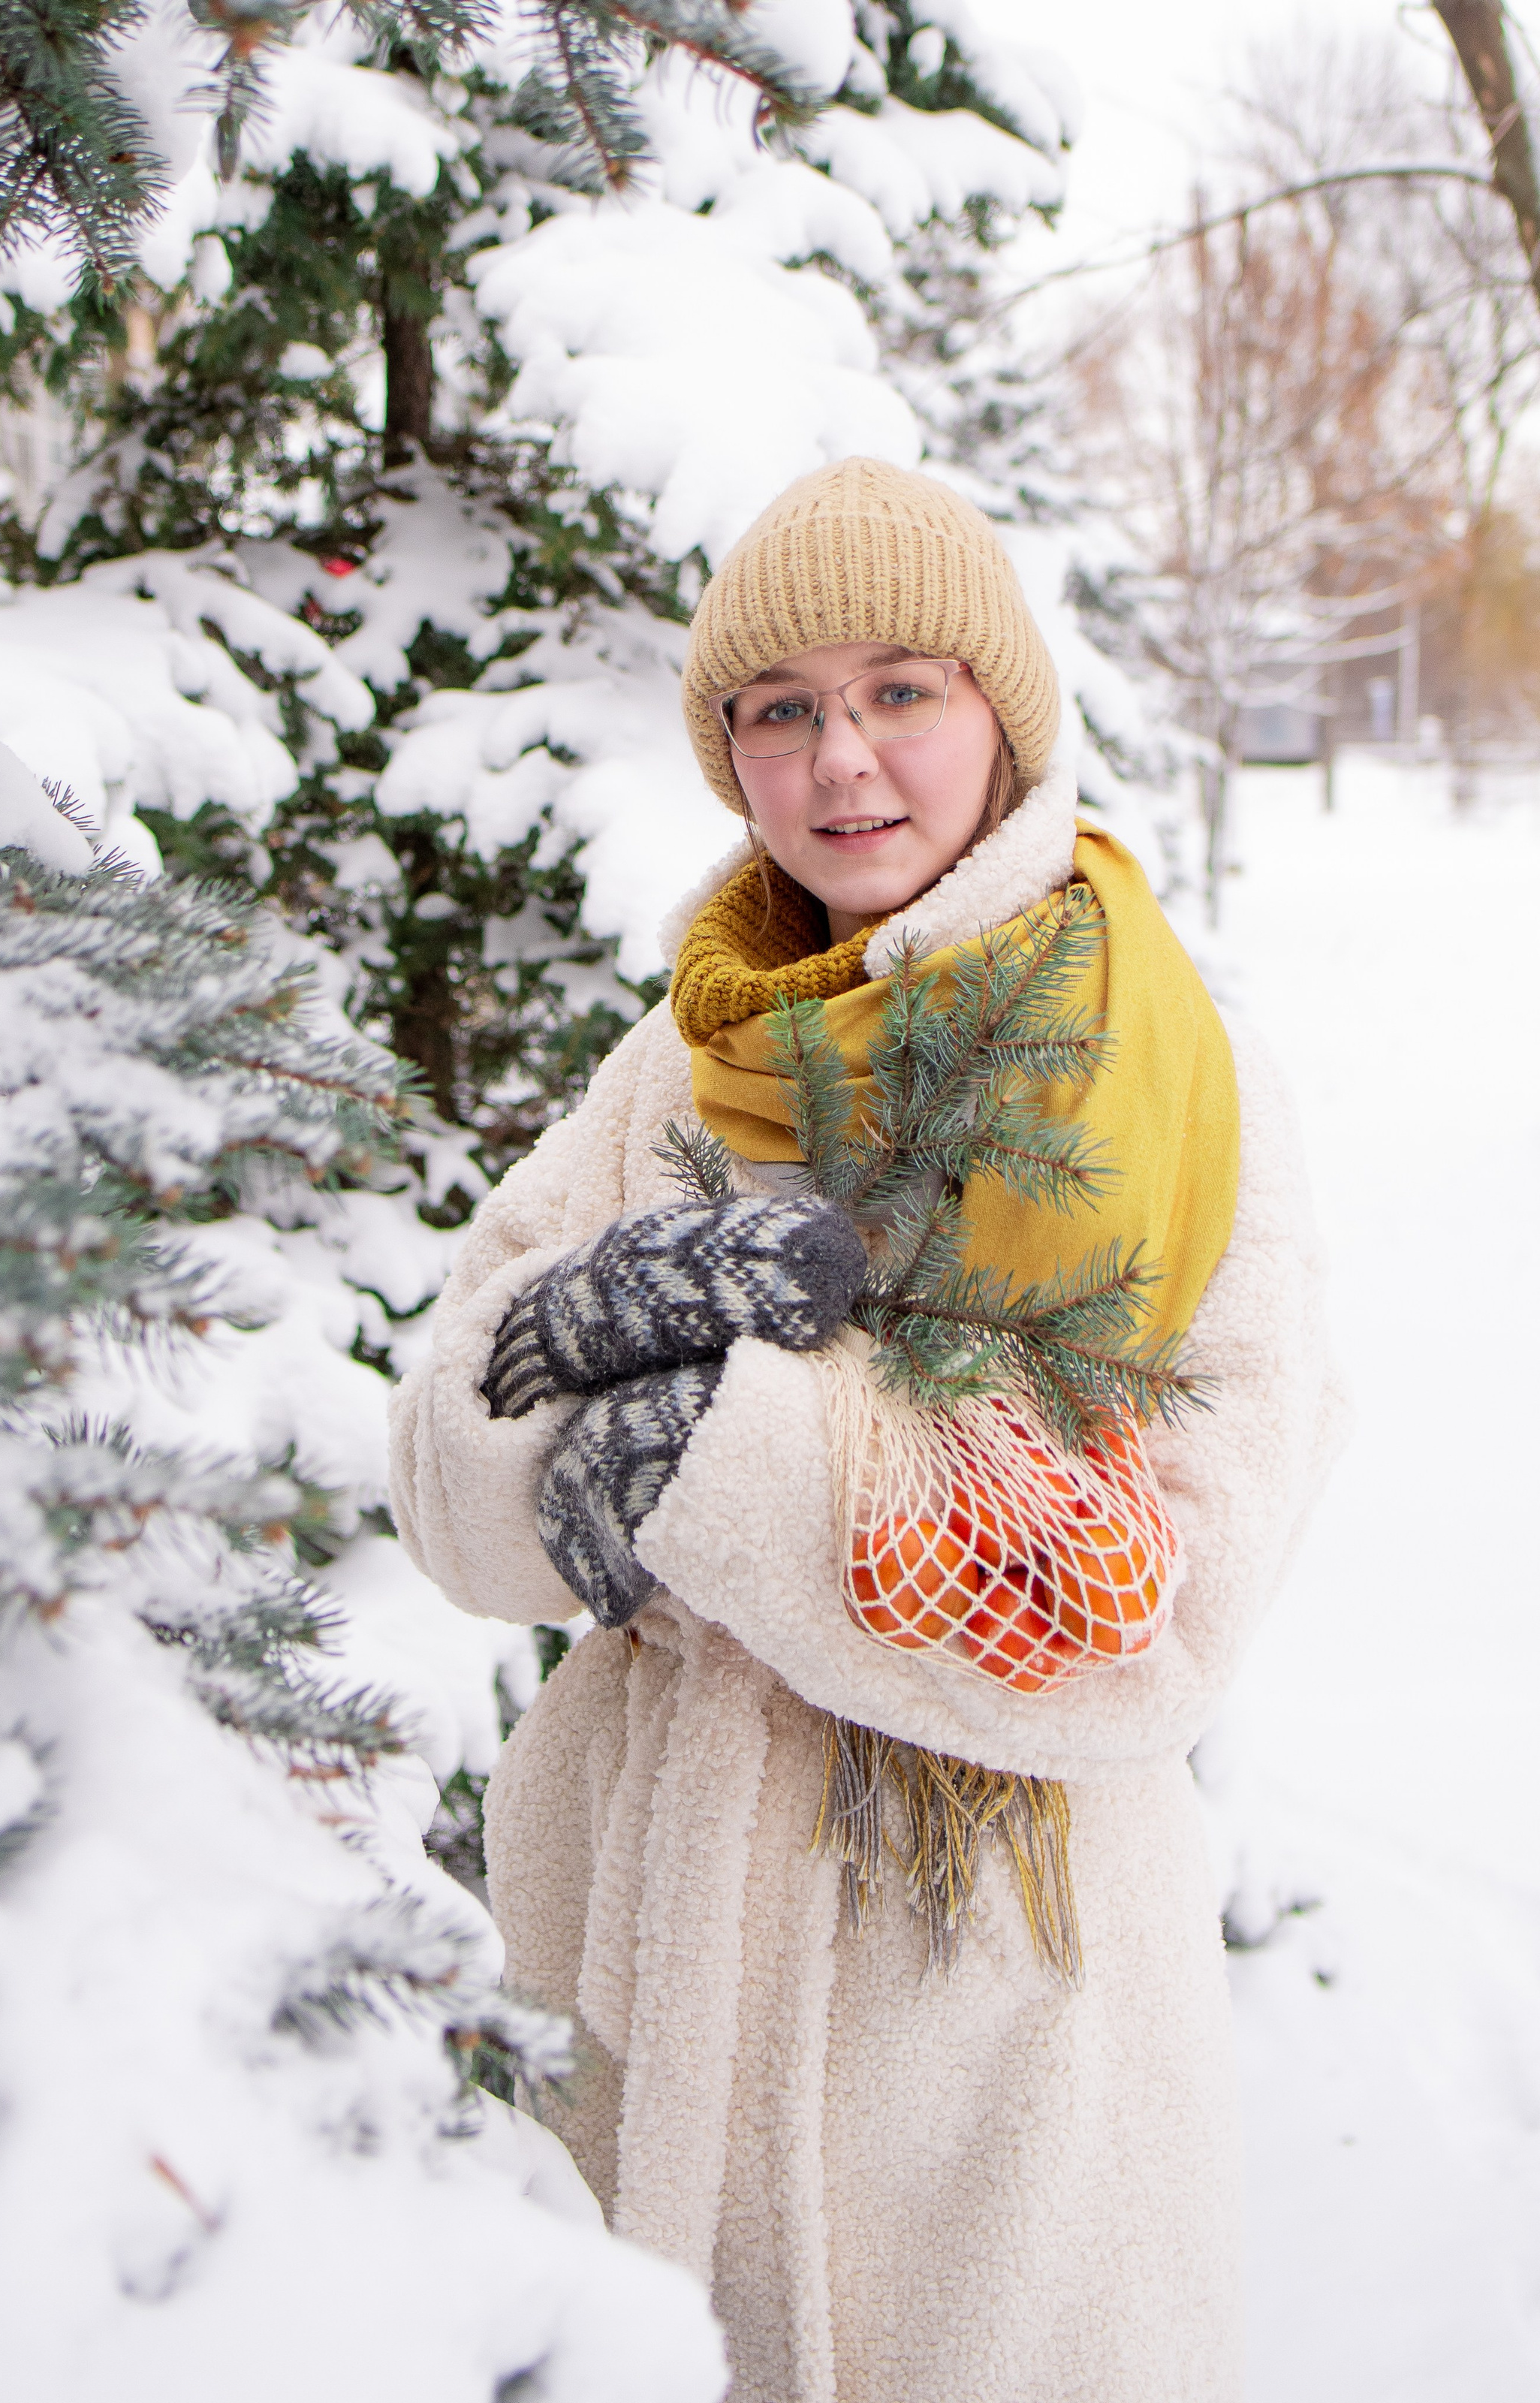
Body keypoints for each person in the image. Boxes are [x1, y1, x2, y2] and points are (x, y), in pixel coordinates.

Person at [389, 459, 1343, 2403]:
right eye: (781, 709)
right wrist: (557, 1452)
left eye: (904, 688)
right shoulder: (676, 1058)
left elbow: (1162, 1614)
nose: (844, 762)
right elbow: (449, 1453)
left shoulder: (1176, 1069)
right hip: (658, 1948)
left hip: (1004, 2019)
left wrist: (713, 1458)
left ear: (1006, 713)